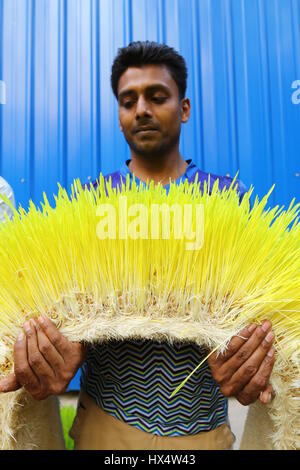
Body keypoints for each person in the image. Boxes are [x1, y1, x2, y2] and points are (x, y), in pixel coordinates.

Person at [0, 42, 275, 450]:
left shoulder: (229, 203)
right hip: (106, 430)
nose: (141, 109)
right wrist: (52, 344)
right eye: (129, 101)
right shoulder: (90, 204)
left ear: (184, 108)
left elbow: (263, 312)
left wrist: (255, 353)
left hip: (203, 432)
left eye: (156, 96)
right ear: (119, 116)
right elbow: (60, 307)